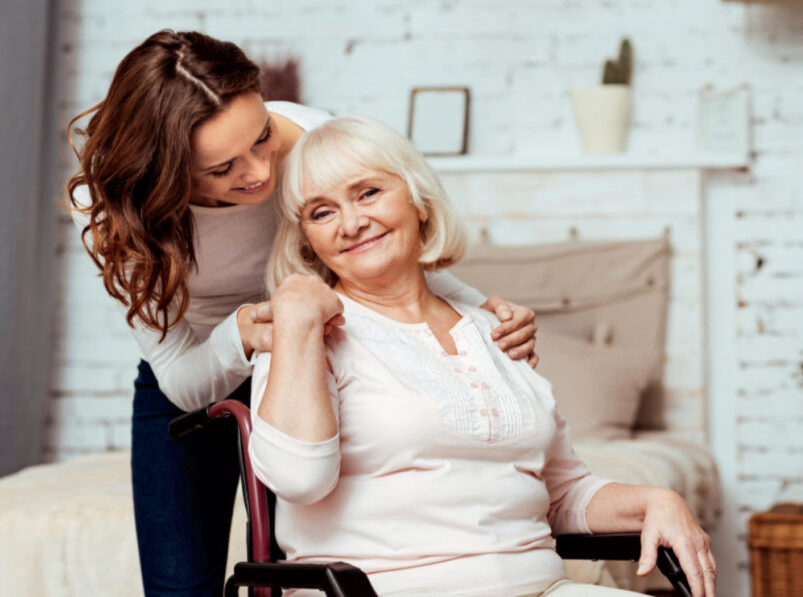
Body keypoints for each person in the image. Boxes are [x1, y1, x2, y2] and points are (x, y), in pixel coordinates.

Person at [65, 30, 540, 597]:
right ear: (163, 170)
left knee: (307, 561)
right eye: (222, 169)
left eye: (262, 136)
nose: (260, 173)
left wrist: (479, 313)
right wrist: (238, 337)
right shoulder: (108, 207)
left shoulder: (314, 137)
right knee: (177, 585)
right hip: (197, 363)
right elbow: (183, 379)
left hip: (318, 351)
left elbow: (381, 246)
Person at [251, 116, 717, 597]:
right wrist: (298, 320)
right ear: (306, 238)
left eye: (368, 193)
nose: (351, 223)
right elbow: (297, 479)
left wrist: (656, 501)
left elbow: (561, 491)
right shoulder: (304, 335)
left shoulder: (496, 331)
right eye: (322, 213)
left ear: (419, 199)